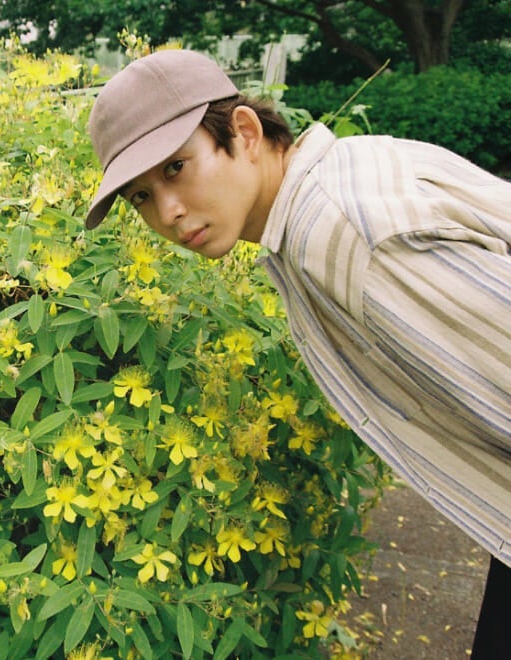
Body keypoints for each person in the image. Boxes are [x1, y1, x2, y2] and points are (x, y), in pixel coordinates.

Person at [84, 48, 511, 658]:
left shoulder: (338, 233)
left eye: (176, 168)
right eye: (140, 197)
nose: (168, 213)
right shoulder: (340, 171)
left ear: (245, 133)